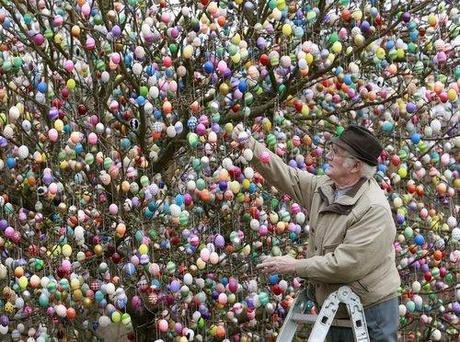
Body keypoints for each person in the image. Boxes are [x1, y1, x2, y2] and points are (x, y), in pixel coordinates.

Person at [233, 123, 401, 342]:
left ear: (355, 166)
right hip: (336, 305)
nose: (328, 156)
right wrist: (250, 146)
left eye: (336, 153)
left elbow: (346, 264)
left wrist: (295, 266)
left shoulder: (373, 209)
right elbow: (287, 176)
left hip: (370, 312)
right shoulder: (325, 188)